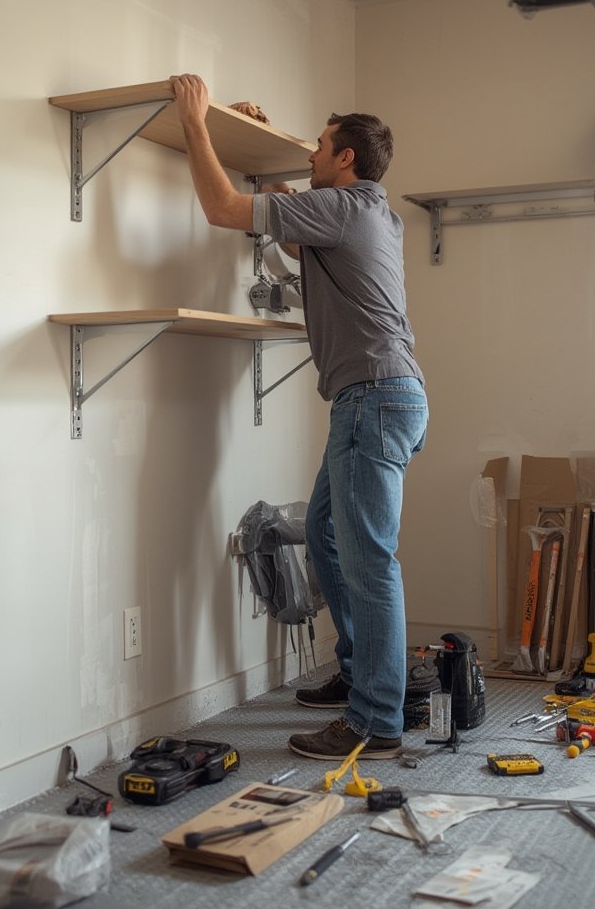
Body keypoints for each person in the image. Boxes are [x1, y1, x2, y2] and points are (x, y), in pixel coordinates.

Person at [170, 74, 428, 760]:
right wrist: (268, 165)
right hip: (382, 396)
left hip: (372, 399)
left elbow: (224, 210)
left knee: (370, 561)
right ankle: (357, 676)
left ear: (345, 159)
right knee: (325, 532)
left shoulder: (344, 209)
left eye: (317, 147)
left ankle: (376, 720)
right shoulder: (368, 210)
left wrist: (197, 122)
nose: (309, 156)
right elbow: (291, 231)